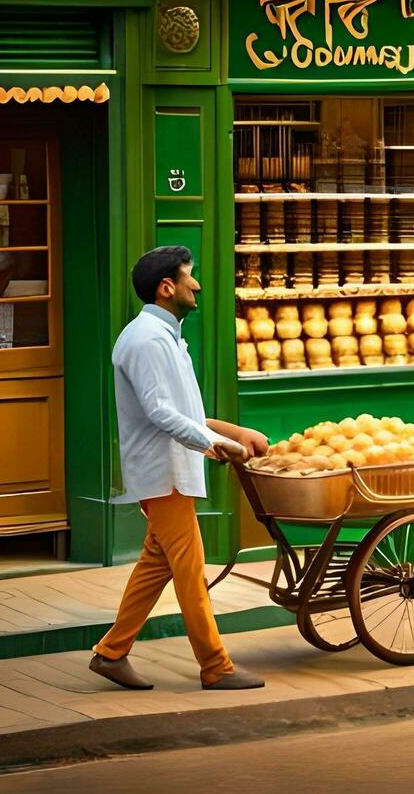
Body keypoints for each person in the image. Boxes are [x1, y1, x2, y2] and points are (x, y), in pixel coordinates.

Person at [91, 247, 269, 691]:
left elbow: (184, 410)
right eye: (190, 277)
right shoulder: (148, 339)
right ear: (166, 287)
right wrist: (217, 446)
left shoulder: (165, 336)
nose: (198, 285)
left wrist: (231, 431)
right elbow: (159, 413)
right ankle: (216, 665)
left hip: (169, 469)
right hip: (163, 473)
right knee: (191, 571)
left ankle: (111, 653)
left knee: (158, 562)